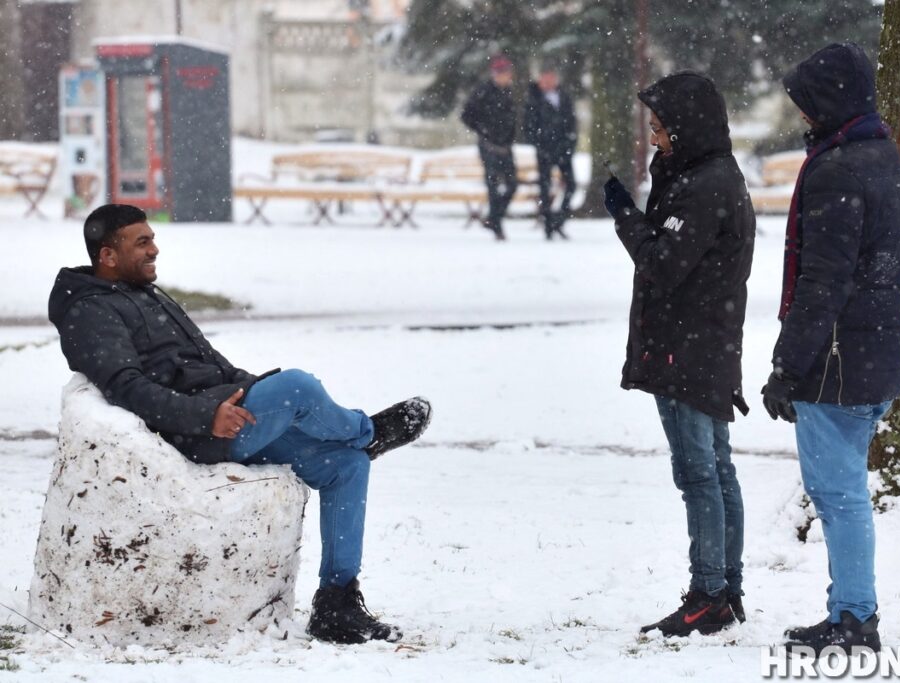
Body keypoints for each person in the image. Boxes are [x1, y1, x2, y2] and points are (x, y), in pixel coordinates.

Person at [47, 204, 433, 646]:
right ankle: (368, 432)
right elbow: (126, 387)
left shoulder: (142, 293)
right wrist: (205, 417)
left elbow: (210, 364)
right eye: (142, 242)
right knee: (298, 388)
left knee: (347, 465)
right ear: (108, 256)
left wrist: (249, 389)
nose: (155, 248)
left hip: (225, 414)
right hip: (194, 434)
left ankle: (336, 605)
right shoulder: (90, 311)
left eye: (152, 238)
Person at [760, 43, 900, 655]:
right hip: (876, 352)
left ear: (829, 103)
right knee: (844, 491)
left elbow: (824, 280)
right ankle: (852, 613)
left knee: (838, 495)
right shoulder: (883, 157)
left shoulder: (837, 171)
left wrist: (787, 366)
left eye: (806, 104)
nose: (801, 116)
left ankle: (855, 618)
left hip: (838, 361)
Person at [602, 72, 755, 637]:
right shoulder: (699, 173)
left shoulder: (706, 183)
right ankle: (725, 587)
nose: (654, 138)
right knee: (715, 470)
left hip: (691, 348)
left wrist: (625, 217)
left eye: (661, 128)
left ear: (686, 127)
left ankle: (710, 594)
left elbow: (665, 263)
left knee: (700, 473)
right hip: (698, 343)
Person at [461, 54, 518, 241]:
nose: (505, 76)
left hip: (506, 147)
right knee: (493, 187)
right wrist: (483, 130)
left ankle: (494, 218)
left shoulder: (509, 92)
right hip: (488, 146)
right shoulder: (483, 91)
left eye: (507, 73)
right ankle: (497, 226)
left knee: (511, 184)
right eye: (501, 73)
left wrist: (510, 138)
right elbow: (466, 115)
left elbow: (512, 119)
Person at [523, 62, 577, 240]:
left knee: (571, 185)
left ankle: (558, 220)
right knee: (544, 189)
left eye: (551, 78)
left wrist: (570, 144)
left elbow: (572, 123)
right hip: (544, 151)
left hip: (564, 150)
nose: (548, 82)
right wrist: (540, 145)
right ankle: (547, 225)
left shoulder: (565, 97)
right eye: (544, 79)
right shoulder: (533, 99)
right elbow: (528, 127)